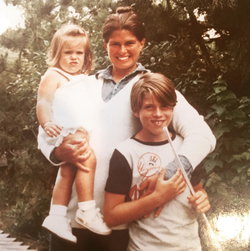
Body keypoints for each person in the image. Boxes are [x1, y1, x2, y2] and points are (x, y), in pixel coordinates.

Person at [38, 6, 216, 251]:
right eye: (115, 44)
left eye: (130, 43)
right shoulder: (80, 85)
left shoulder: (152, 89)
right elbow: (46, 133)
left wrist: (170, 171)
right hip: (69, 219)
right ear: (105, 46)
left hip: (117, 224)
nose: (122, 51)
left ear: (142, 43)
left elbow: (202, 135)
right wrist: (58, 153)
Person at [104, 72, 210, 251]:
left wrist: (203, 200)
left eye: (165, 106)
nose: (158, 114)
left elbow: (198, 192)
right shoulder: (125, 153)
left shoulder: (187, 148)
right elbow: (111, 215)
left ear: (174, 108)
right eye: (149, 107)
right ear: (136, 110)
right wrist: (158, 197)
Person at [36, 24, 111, 244]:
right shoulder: (54, 75)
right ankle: (87, 210)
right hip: (63, 129)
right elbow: (43, 101)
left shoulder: (82, 78)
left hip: (76, 130)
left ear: (86, 56)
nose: (73, 58)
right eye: (68, 53)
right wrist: (46, 122)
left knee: (68, 171)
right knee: (89, 158)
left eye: (79, 53)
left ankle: (57, 216)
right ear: (57, 54)